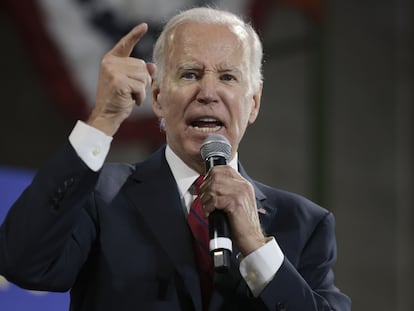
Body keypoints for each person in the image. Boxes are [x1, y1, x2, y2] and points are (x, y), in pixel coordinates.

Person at [0, 7, 351, 311]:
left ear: (253, 103)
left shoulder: (304, 224)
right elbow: (23, 262)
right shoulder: (101, 196)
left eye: (227, 76)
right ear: (157, 97)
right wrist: (103, 119)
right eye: (190, 74)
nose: (208, 93)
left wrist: (257, 247)